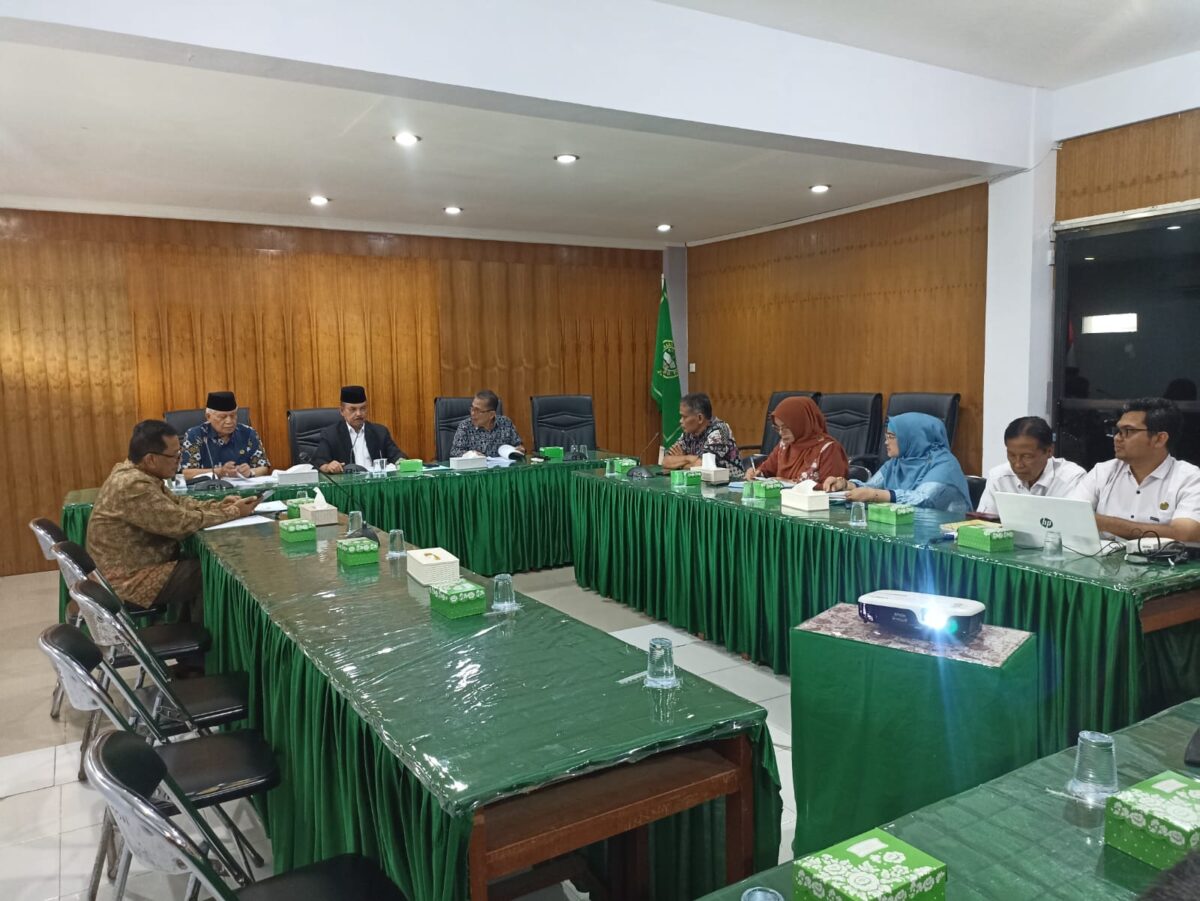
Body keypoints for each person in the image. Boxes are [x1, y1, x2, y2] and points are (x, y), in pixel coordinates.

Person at [86, 420, 259, 623]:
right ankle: (200, 638)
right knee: (215, 572)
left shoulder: (139, 473)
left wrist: (219, 505)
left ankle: (188, 631)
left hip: (138, 566)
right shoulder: (133, 485)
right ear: (151, 459)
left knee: (203, 564)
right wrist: (233, 512)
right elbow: (180, 523)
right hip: (127, 581)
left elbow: (178, 504)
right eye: (175, 455)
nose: (179, 460)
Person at [1071, 397, 1200, 541]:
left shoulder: (1189, 478)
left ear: (1160, 439)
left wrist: (1103, 523)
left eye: (1128, 431)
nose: (1117, 438)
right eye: (1117, 431)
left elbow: (1185, 534)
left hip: (1160, 556)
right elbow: (1070, 515)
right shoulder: (1102, 472)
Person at [823, 412, 970, 512]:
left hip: (943, 536)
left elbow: (924, 500)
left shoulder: (945, 465)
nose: (886, 442)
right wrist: (845, 485)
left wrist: (876, 495)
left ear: (913, 438)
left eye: (891, 436)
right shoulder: (897, 463)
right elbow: (871, 487)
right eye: (886, 436)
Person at [976, 416, 1086, 514]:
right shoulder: (998, 477)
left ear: (1049, 451)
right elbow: (983, 524)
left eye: (1027, 456)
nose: (1018, 465)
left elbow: (1075, 525)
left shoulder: (1072, 479)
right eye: (1012, 455)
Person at [745, 396, 848, 484]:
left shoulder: (829, 449)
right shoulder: (785, 445)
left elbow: (830, 489)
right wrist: (756, 473)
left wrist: (786, 482)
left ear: (801, 423)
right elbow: (767, 470)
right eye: (778, 427)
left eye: (785, 427)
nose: (781, 432)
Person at [311, 385, 406, 473]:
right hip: (347, 483)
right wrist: (328, 467)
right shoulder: (331, 434)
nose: (359, 414)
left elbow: (397, 456)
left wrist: (401, 462)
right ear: (342, 411)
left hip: (375, 482)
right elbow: (319, 462)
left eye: (363, 408)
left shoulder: (380, 432)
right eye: (353, 409)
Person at [179, 391, 270, 479]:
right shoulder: (195, 435)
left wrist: (250, 472)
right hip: (209, 488)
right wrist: (219, 472)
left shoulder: (248, 433)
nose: (229, 421)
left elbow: (263, 467)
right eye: (222, 417)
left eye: (233, 415)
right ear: (208, 416)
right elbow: (186, 473)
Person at [662, 392, 744, 477]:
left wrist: (678, 462)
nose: (680, 421)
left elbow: (702, 466)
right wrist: (688, 458)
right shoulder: (688, 433)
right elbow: (665, 461)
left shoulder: (719, 431)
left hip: (732, 482)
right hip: (703, 481)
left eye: (685, 417)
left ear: (700, 418)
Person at [449, 390, 525, 458]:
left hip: (501, 468)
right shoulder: (465, 426)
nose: (472, 413)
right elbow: (455, 452)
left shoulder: (505, 423)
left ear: (491, 414)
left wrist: (520, 449)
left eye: (477, 410)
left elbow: (518, 445)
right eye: (472, 408)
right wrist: (472, 454)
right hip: (476, 468)